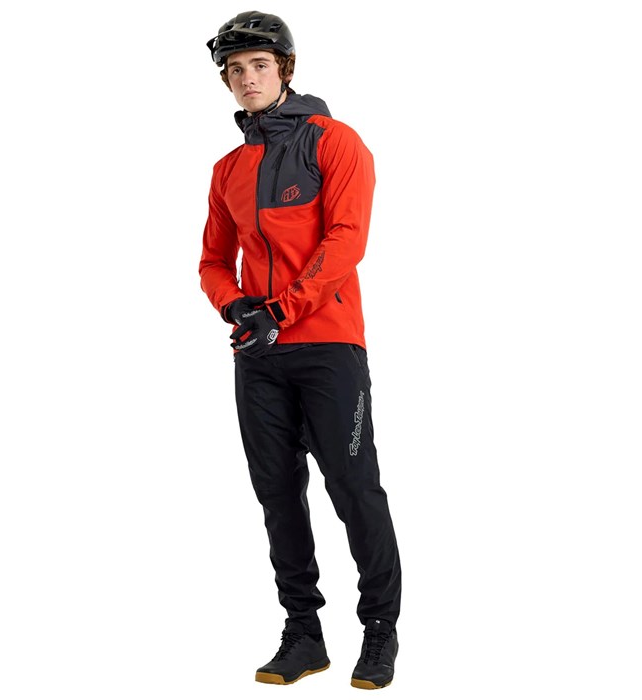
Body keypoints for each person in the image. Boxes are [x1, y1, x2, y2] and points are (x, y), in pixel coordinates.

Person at [199, 10, 402, 690]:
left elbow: (346, 241)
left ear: (284, 68)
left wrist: (280, 310)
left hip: (328, 345)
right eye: (235, 70)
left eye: (258, 65)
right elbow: (211, 261)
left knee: (353, 486)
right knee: (277, 495)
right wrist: (235, 306)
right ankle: (304, 633)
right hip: (258, 356)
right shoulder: (229, 168)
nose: (246, 79)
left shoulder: (335, 142)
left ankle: (380, 629)